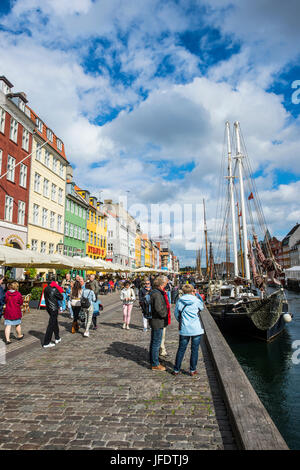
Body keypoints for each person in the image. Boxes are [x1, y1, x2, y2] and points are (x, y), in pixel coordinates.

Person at [173, 284, 204, 376]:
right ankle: (192, 370)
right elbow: (202, 307)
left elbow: (176, 314)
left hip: (184, 328)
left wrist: (181, 321)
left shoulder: (180, 301)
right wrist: (197, 295)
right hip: (196, 328)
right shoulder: (196, 300)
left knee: (181, 349)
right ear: (192, 291)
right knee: (194, 350)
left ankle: (176, 369)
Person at [149, 276, 170, 371]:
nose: (166, 286)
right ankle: (155, 364)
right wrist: (165, 314)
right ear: (161, 284)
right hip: (157, 321)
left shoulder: (154, 292)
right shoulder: (157, 294)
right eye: (165, 284)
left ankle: (154, 360)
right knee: (156, 342)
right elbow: (158, 308)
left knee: (155, 341)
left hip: (156, 321)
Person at [43, 277, 64, 348]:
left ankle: (57, 337)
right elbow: (61, 297)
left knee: (54, 322)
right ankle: (46, 342)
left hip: (48, 307)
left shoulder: (46, 289)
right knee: (51, 325)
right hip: (54, 308)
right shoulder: (54, 289)